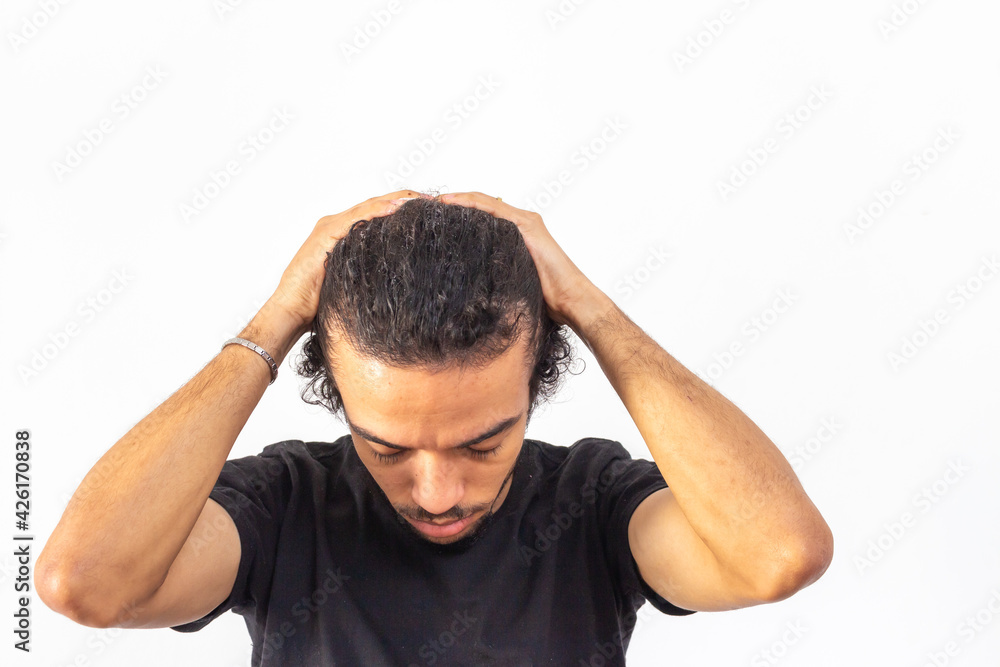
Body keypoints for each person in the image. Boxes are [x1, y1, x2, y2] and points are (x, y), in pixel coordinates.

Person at [36, 190, 834, 665]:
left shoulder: (591, 506)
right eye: (386, 446)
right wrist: (276, 319)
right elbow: (83, 581)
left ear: (537, 378)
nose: (438, 491)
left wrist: (587, 306)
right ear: (336, 395)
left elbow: (779, 554)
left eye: (483, 443)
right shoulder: (284, 507)